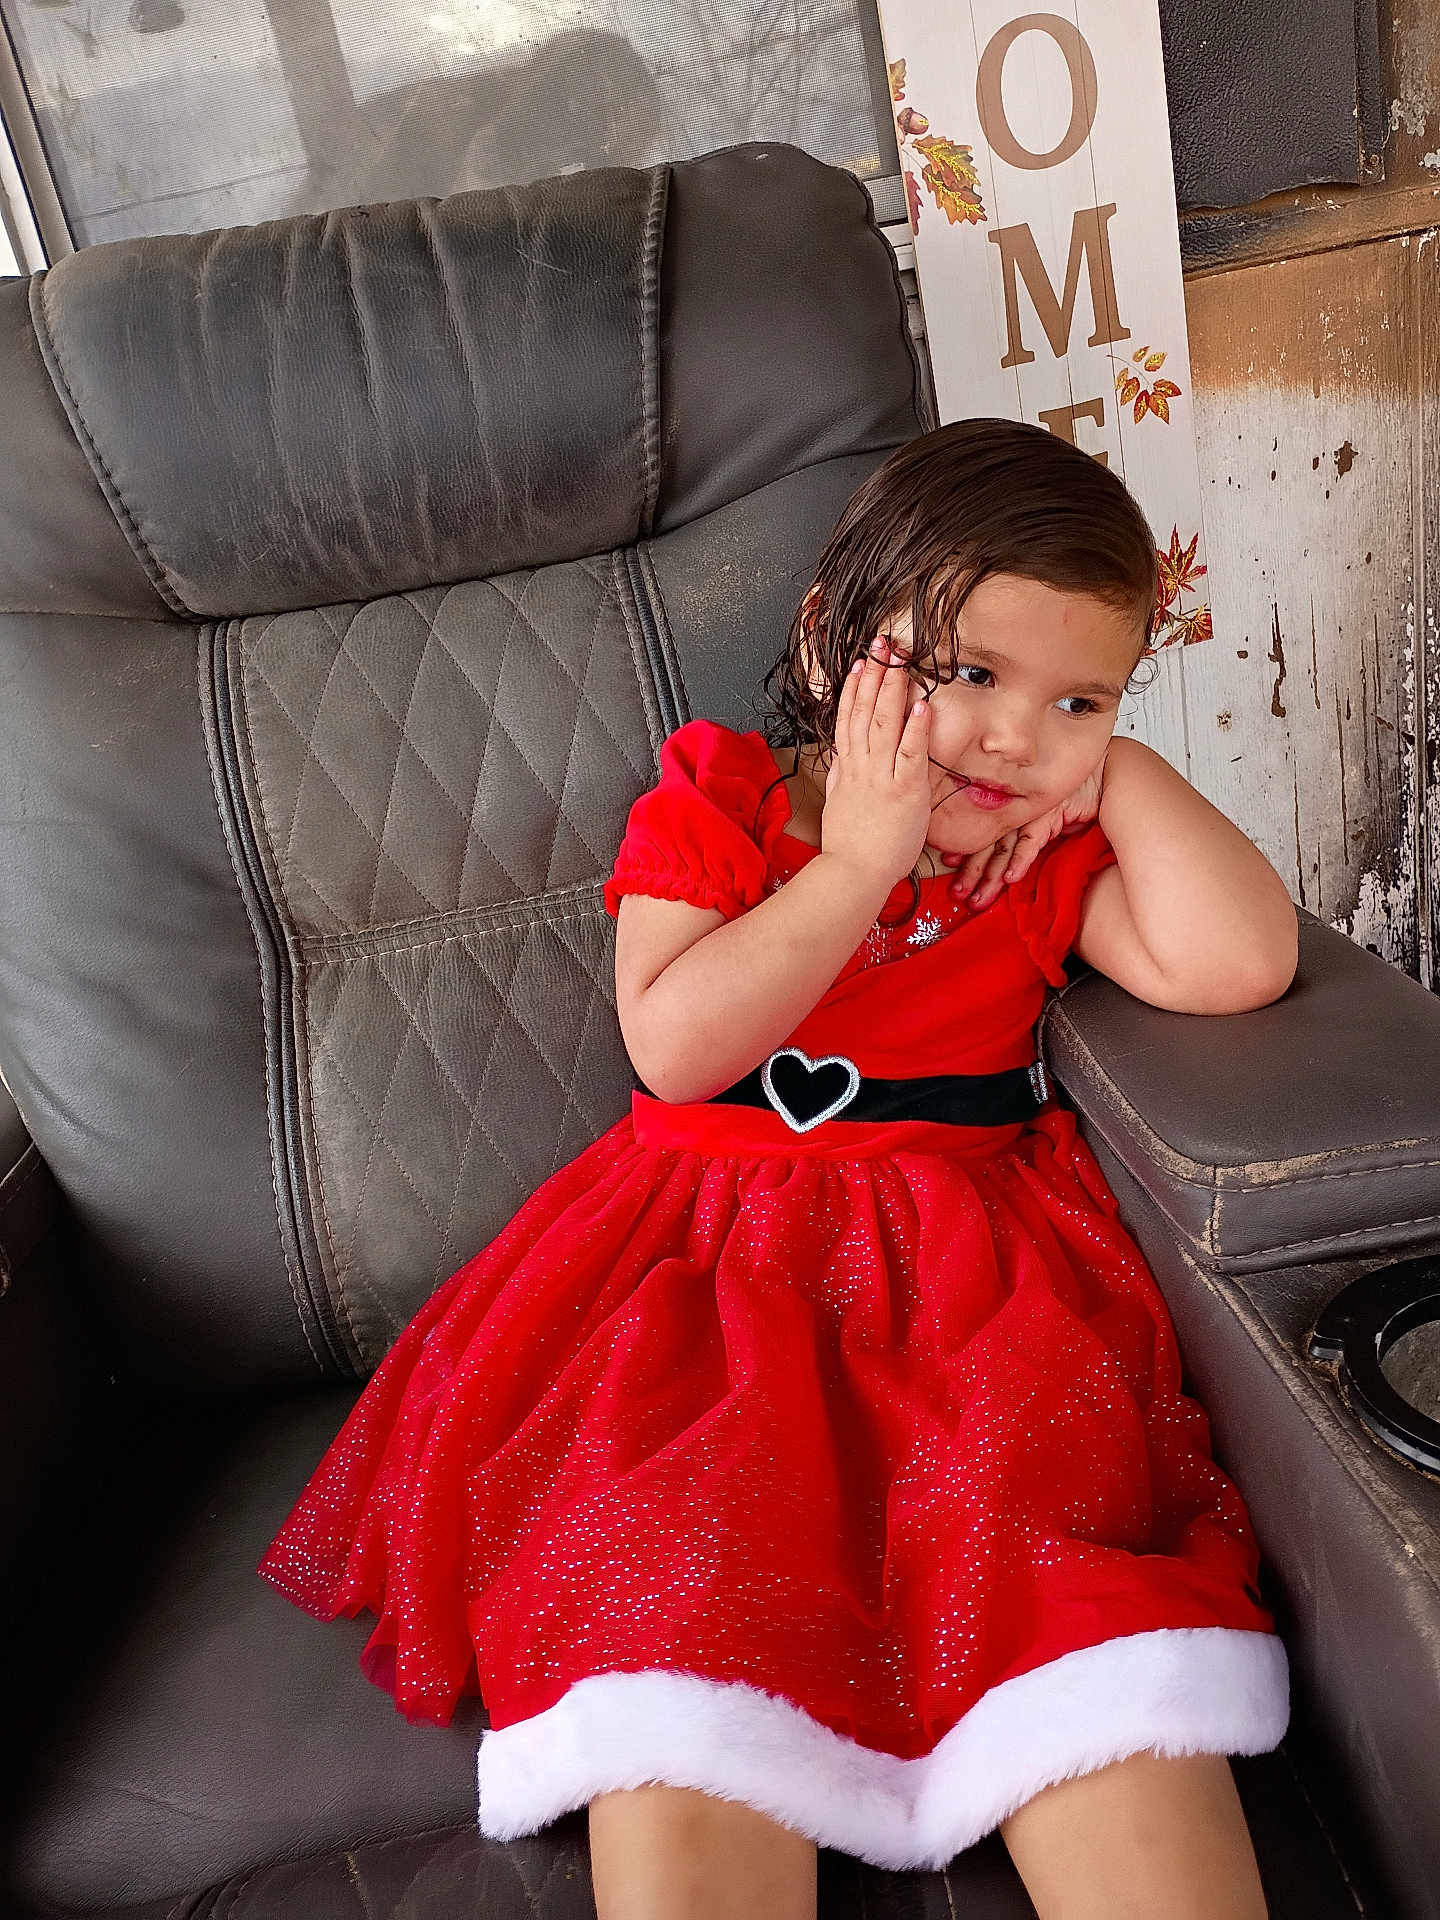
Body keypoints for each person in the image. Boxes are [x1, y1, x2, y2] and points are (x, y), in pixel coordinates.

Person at [258, 417, 1298, 1919]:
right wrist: (860, 863)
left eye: (1080, 700)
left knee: (1041, 1559)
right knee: (673, 1572)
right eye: (967, 674)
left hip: (969, 1305)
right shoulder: (721, 806)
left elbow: (1239, 962)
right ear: (828, 644)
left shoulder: (1033, 866)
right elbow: (677, 1049)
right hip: (703, 1281)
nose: (1016, 740)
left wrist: (1124, 778)